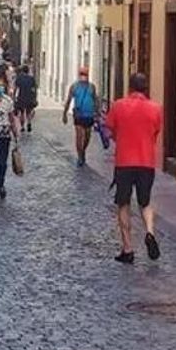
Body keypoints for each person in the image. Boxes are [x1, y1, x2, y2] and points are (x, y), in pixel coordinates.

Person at [105, 73, 163, 264]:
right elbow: (155, 131)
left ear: (129, 87)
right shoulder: (156, 109)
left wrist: (120, 138)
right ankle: (149, 232)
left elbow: (110, 130)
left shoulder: (118, 106)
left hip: (124, 162)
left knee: (123, 203)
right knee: (145, 202)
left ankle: (128, 248)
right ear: (145, 88)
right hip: (146, 162)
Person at [62, 67, 99, 167]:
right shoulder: (74, 87)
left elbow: (96, 100)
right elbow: (69, 100)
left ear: (88, 75)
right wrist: (64, 113)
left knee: (87, 137)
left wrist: (97, 113)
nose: (83, 76)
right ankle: (80, 156)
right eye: (82, 74)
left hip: (89, 115)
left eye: (85, 74)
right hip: (78, 115)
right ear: (79, 75)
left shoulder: (92, 87)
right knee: (79, 136)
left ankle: (83, 151)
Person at [13, 64, 38, 133]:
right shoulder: (31, 78)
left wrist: (14, 97)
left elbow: (15, 89)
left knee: (21, 112)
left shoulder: (19, 78)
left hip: (21, 97)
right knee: (28, 111)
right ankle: (29, 122)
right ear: (28, 71)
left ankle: (22, 126)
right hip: (30, 97)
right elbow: (35, 89)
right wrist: (35, 97)